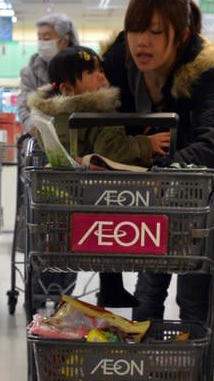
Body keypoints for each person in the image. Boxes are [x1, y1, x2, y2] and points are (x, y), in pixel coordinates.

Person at [101, 0, 214, 323]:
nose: (142, 41)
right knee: (148, 289)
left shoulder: (202, 68)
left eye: (156, 32)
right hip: (147, 199)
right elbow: (96, 118)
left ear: (182, 35)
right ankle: (142, 368)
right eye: (135, 29)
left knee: (194, 295)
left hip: (200, 196)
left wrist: (163, 168)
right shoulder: (118, 61)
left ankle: (189, 370)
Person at [27, 46, 171, 308]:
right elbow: (111, 150)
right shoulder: (100, 111)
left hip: (70, 199)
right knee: (110, 232)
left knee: (78, 240)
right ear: (69, 88)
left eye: (101, 69)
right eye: (91, 72)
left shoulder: (54, 115)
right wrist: (145, 144)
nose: (101, 77)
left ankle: (71, 288)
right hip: (101, 197)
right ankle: (110, 288)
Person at [17, 12, 79, 134]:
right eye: (39, 38)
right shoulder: (30, 72)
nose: (41, 43)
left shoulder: (80, 68)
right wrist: (34, 128)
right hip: (39, 141)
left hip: (76, 136)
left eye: (46, 38)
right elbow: (23, 106)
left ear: (65, 41)